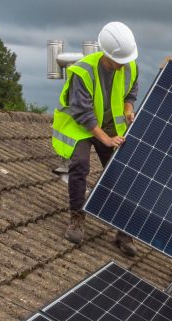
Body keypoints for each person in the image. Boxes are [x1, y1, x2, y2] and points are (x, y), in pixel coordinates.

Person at [51, 21, 140, 256]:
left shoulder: (130, 66)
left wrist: (129, 110)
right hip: (81, 127)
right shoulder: (83, 71)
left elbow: (130, 93)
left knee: (123, 171)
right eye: (117, 61)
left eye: (125, 61)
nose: (122, 66)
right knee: (80, 164)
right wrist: (105, 139)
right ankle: (77, 218)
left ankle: (124, 231)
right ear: (106, 54)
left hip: (111, 125)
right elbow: (83, 113)